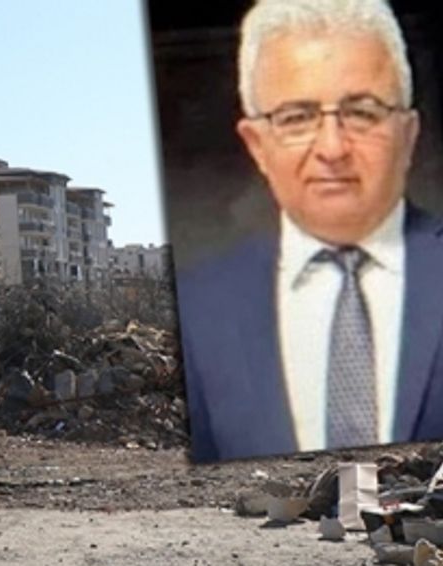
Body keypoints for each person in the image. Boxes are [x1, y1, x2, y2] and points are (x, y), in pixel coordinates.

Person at [176, 0, 443, 462]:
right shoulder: (197, 311)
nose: (332, 148)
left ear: (407, 133)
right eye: (297, 118)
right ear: (257, 145)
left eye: (362, 112)